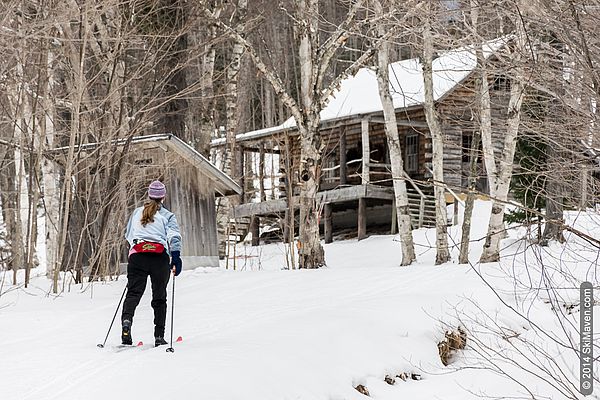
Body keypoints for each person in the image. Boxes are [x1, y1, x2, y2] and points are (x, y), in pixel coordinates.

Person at [121, 180, 183, 347]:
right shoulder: (167, 216)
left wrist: (136, 246)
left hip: (137, 257)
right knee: (159, 297)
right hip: (159, 258)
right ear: (163, 197)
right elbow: (174, 237)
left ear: (149, 195)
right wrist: (175, 257)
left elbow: (128, 234)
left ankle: (126, 323)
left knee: (133, 293)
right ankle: (158, 336)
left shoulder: (137, 213)